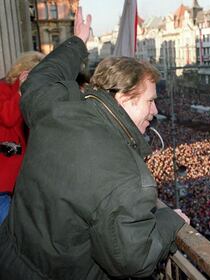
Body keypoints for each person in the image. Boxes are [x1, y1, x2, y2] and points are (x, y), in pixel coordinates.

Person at [0, 7, 188, 280]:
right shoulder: (126, 176)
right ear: (123, 98)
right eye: (150, 100)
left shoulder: (57, 110)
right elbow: (135, 259)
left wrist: (78, 41)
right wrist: (171, 220)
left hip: (11, 258)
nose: (155, 110)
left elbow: (40, 78)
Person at [0, 50, 44, 224]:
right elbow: (8, 118)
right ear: (24, 73)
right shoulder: (4, 89)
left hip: (21, 182)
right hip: (4, 181)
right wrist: (20, 92)